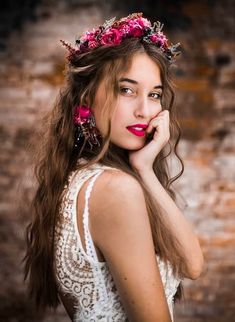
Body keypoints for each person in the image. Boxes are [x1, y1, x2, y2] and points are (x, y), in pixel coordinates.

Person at [23, 12, 204, 322]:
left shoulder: (79, 177)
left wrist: (145, 169)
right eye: (126, 90)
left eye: (154, 94)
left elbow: (192, 265)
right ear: (87, 97)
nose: (144, 111)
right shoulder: (115, 190)